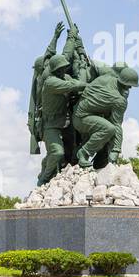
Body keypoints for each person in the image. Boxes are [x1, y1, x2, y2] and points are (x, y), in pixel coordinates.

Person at [72, 62, 139, 168]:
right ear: (126, 84)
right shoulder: (119, 100)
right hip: (82, 119)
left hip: (78, 112)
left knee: (105, 129)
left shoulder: (105, 78)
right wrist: (116, 150)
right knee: (109, 129)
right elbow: (117, 125)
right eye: (130, 85)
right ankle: (83, 153)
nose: (130, 88)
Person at [35, 54, 86, 185]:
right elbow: (72, 86)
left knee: (71, 152)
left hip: (65, 121)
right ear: (55, 69)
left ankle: (62, 173)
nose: (64, 70)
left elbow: (73, 83)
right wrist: (88, 85)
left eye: (65, 67)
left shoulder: (65, 77)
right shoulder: (51, 82)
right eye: (61, 68)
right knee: (57, 153)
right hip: (50, 124)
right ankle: (44, 178)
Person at [27, 22, 66, 155]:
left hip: (55, 116)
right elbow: (50, 59)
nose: (48, 63)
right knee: (56, 152)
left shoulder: (41, 76)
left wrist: (55, 37)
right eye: (46, 64)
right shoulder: (43, 80)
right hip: (49, 119)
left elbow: (48, 55)